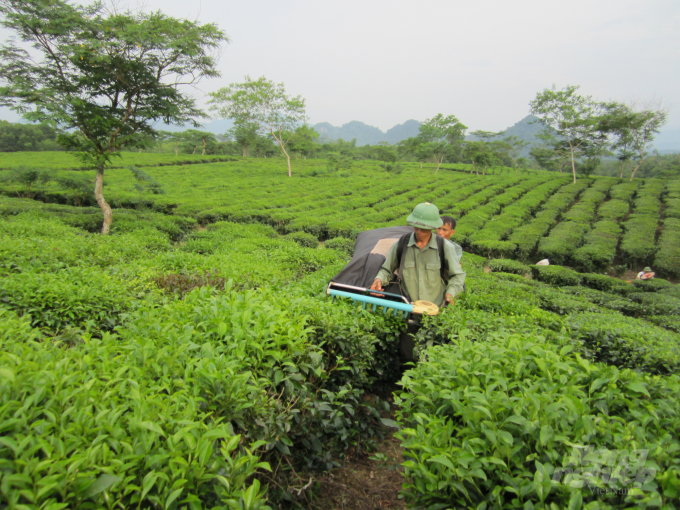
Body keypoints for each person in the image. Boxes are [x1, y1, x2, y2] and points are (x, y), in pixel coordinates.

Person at [369, 202, 466, 362]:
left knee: (432, 358)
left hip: (436, 314)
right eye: (416, 227)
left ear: (432, 227)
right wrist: (379, 280)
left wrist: (451, 293)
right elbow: (386, 269)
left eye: (424, 228)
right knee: (408, 358)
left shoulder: (445, 247)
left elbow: (458, 275)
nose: (419, 232)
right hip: (410, 313)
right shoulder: (401, 244)